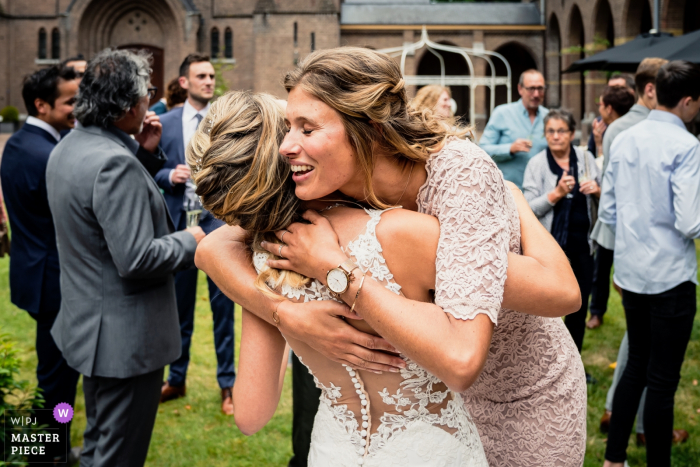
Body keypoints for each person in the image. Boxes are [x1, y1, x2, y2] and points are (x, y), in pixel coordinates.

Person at [196, 47, 587, 467]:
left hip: (518, 392)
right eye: (288, 128)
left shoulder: (456, 179)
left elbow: (560, 292)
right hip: (439, 399)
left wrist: (335, 270)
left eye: (306, 128)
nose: (288, 145)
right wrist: (282, 314)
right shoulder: (325, 186)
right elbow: (212, 247)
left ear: (369, 129)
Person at [46, 48, 204, 467]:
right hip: (126, 341)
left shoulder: (69, 146)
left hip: (90, 329)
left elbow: (99, 216)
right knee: (119, 456)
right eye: (144, 94)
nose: (149, 101)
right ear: (127, 105)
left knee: (99, 443)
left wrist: (145, 154)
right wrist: (193, 238)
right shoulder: (114, 164)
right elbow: (135, 258)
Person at [601, 60, 700, 467]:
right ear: (690, 101)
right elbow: (691, 221)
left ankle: (613, 459)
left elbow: (607, 212)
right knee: (661, 381)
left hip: (631, 273)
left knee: (636, 367)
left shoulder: (622, 137)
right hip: (670, 277)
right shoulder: (687, 146)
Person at [0, 65, 80, 463]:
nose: (77, 107)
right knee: (56, 379)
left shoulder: (19, 142)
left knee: (54, 375)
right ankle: (43, 455)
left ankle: (50, 449)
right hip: (53, 282)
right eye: (70, 101)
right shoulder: (47, 155)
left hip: (35, 274)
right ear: (41, 105)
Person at [155, 53, 236, 415]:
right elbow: (148, 169)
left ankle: (228, 386)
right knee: (179, 311)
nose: (208, 81)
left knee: (224, 310)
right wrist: (167, 176)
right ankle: (177, 377)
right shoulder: (165, 123)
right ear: (184, 82)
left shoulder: (226, 122)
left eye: (211, 75)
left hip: (218, 226)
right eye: (201, 76)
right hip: (180, 228)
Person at [522, 109, 601, 355]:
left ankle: (574, 361)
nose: (555, 136)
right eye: (550, 132)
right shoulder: (537, 164)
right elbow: (527, 209)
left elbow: (605, 195)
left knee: (578, 305)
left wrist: (597, 190)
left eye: (561, 131)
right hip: (550, 250)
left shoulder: (585, 158)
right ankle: (547, 361)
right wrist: (554, 195)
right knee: (550, 311)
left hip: (583, 247)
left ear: (572, 133)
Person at [479, 69, 549, 188]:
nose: (536, 94)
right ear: (520, 89)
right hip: (508, 192)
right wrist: (510, 149)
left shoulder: (549, 117)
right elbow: (482, 150)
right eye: (531, 89)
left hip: (541, 194)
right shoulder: (502, 113)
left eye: (540, 88)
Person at [587, 74, 636, 158]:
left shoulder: (636, 124)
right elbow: (590, 155)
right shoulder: (600, 124)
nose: (610, 93)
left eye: (617, 89)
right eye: (609, 89)